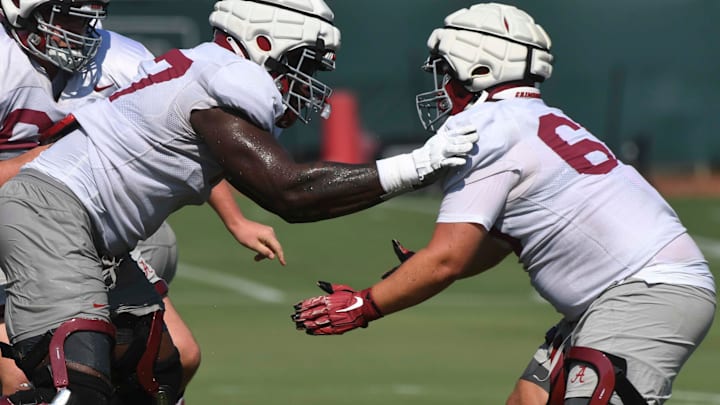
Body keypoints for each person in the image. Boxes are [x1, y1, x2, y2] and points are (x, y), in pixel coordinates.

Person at [0, 0, 478, 403]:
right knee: (77, 384)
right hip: (51, 213)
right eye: (304, 62)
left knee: (155, 372)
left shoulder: (206, 70)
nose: (305, 79)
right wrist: (415, 166)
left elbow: (284, 189)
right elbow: (290, 192)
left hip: (95, 232)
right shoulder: (227, 77)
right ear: (265, 42)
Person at [291, 3, 717, 405]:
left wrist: (365, 305)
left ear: (478, 68)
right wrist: (422, 265)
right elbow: (494, 243)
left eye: (445, 70)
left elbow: (448, 261)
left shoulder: (485, 126)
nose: (441, 84)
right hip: (622, 296)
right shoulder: (532, 118)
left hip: (643, 293)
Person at [0, 0, 286, 402]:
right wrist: (38, 160)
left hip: (80, 219)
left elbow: (185, 138)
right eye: (66, 18)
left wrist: (236, 220)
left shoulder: (121, 58)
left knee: (171, 361)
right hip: (22, 218)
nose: (79, 34)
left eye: (88, 20)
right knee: (36, 381)